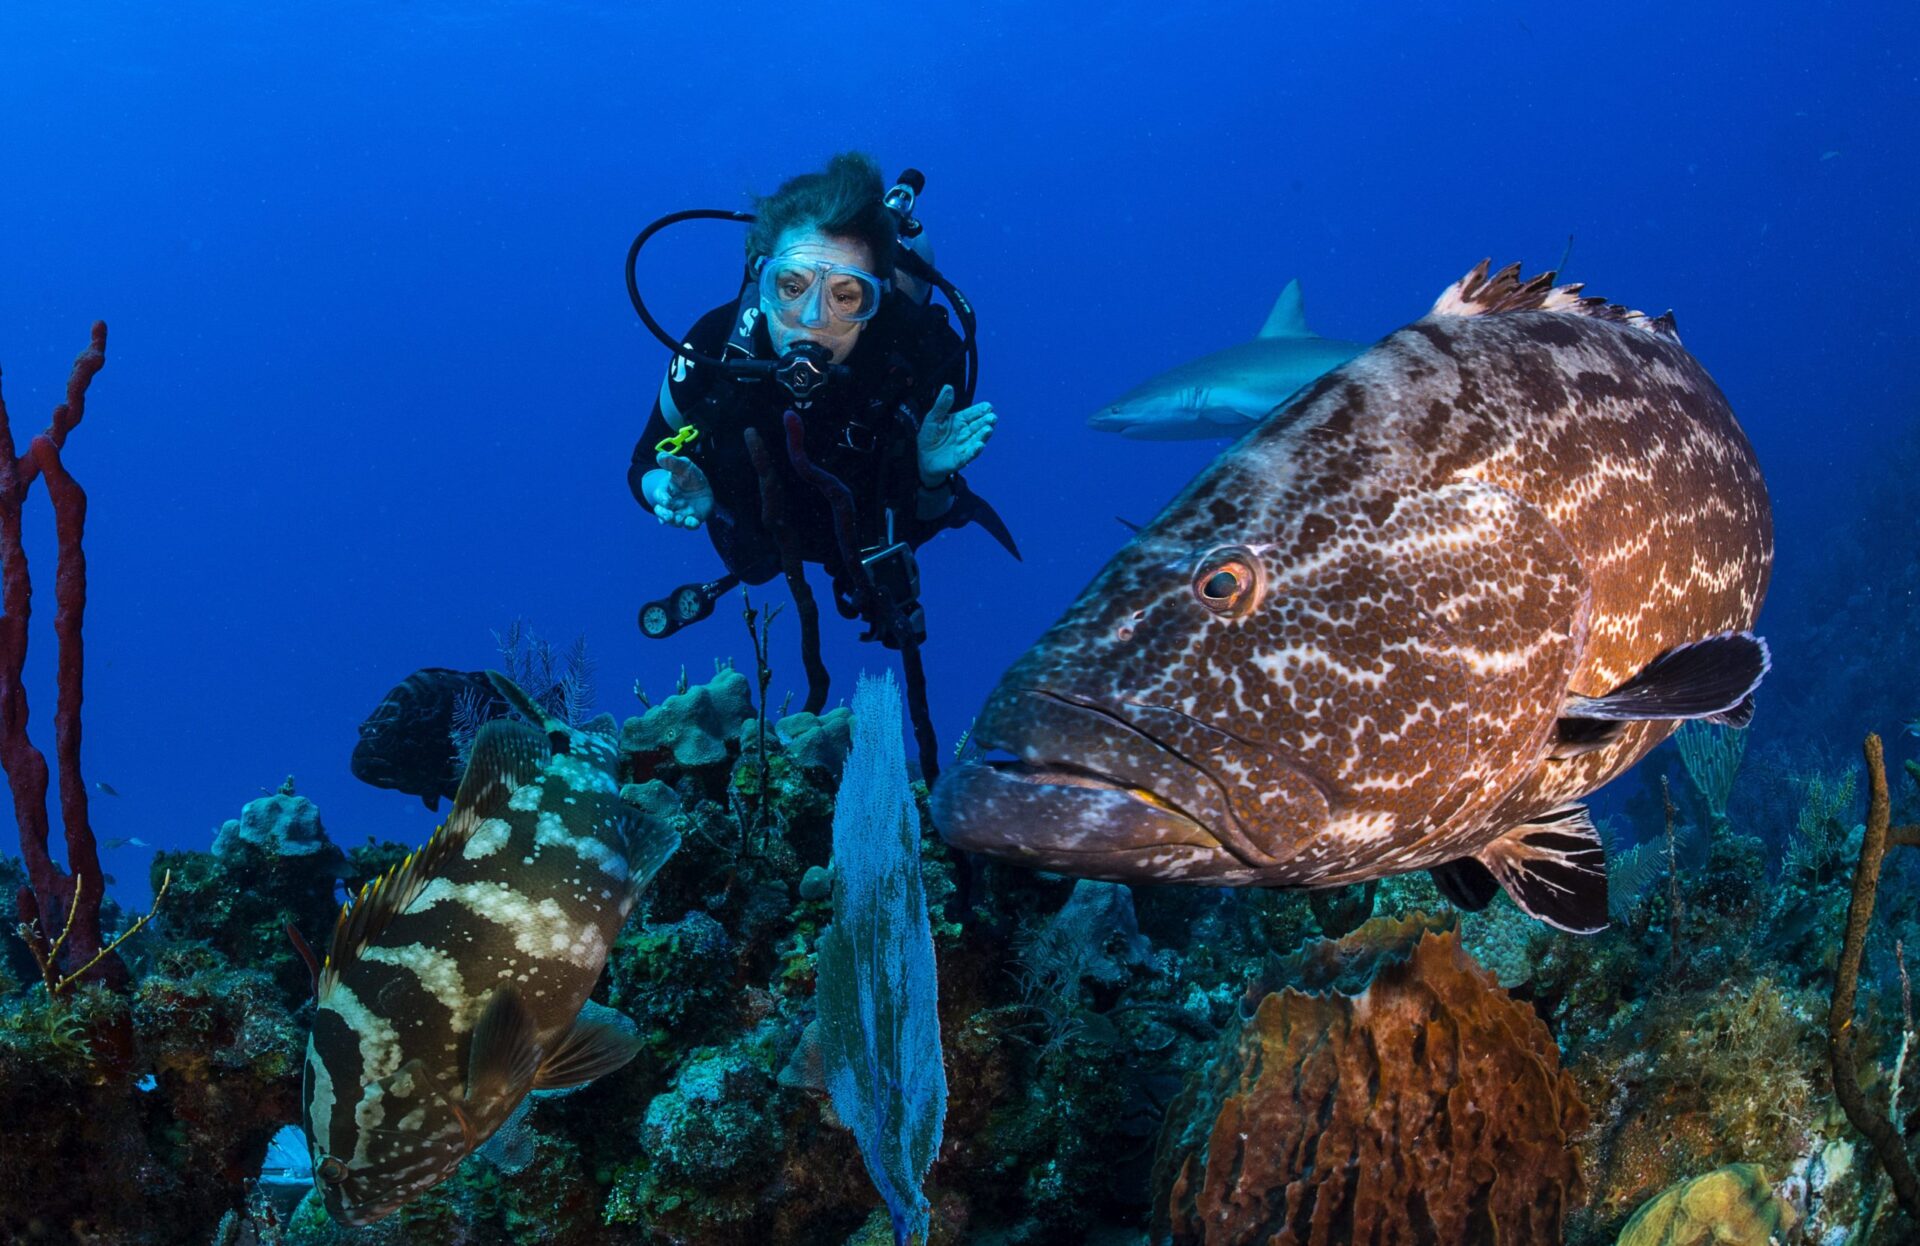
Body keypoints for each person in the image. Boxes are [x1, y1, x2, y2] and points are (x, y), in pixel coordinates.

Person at [628, 153, 1010, 657]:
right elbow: (642, 464)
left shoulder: (920, 364)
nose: (812, 318)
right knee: (755, 563)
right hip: (755, 528)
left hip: (864, 544)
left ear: (876, 305)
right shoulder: (714, 347)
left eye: (846, 297)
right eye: (791, 287)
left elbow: (926, 516)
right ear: (762, 280)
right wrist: (669, 491)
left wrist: (930, 475)